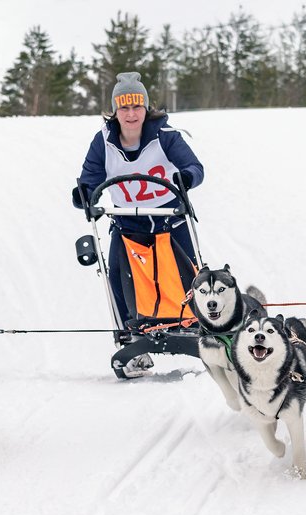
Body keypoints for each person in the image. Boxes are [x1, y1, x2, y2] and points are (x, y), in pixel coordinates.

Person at [72, 71, 204, 376]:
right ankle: (130, 339)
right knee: (117, 277)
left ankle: (203, 329)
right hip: (127, 223)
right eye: (124, 108)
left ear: (146, 108)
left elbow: (194, 167)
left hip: (169, 218)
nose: (131, 114)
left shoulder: (167, 136)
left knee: (190, 278)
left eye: (137, 107)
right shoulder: (103, 141)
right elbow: (90, 178)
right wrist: (84, 194)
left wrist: (186, 178)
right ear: (115, 111)